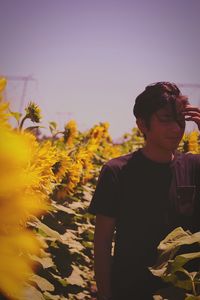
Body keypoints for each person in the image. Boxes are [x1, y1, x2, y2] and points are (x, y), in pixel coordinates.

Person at [88, 82, 200, 300]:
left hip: (185, 291)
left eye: (180, 120)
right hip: (132, 290)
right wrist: (105, 296)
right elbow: (102, 244)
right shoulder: (117, 172)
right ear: (142, 124)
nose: (176, 128)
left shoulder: (194, 167)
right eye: (165, 120)